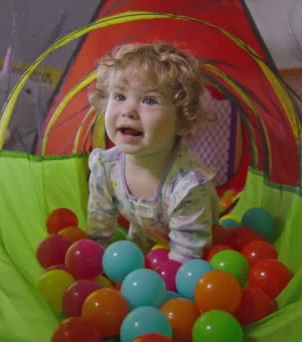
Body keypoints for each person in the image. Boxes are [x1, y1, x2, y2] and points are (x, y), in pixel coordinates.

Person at [86, 42, 219, 263]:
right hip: (141, 246)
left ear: (182, 122)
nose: (128, 111)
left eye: (149, 100)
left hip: (195, 253)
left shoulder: (187, 187)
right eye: (119, 96)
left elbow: (186, 259)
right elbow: (99, 234)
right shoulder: (104, 167)